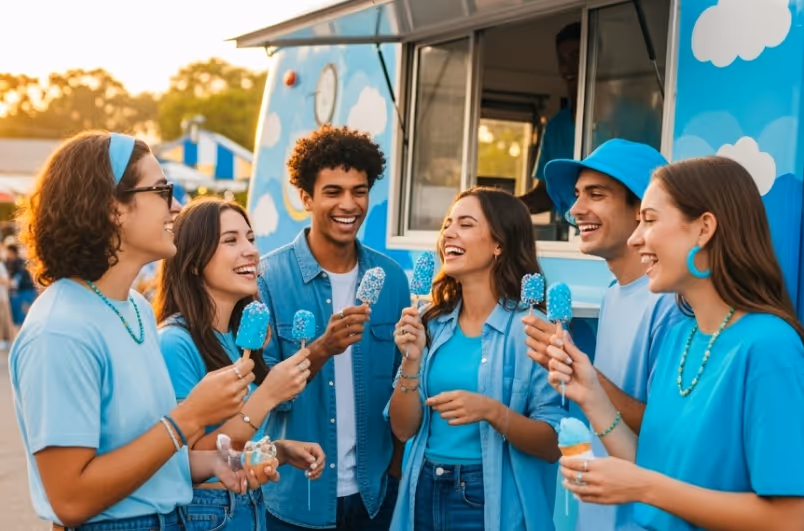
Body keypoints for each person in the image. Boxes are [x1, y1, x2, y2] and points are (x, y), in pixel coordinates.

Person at [8, 131, 267, 530]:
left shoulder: (138, 310)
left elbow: (145, 463)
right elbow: (70, 500)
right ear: (114, 208)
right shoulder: (60, 329)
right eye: (163, 190)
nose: (177, 206)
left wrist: (210, 462)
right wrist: (190, 417)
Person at [545, 156, 804, 530]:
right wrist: (590, 395)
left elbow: (791, 518)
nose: (636, 238)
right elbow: (652, 468)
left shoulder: (769, 348)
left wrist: (646, 487)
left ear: (703, 229)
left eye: (649, 220)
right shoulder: (680, 336)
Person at [523, 139, 682, 530]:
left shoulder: (672, 304)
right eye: (576, 195)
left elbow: (669, 430)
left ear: (642, 211)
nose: (575, 210)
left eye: (596, 195)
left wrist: (585, 374)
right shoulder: (613, 295)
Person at [258, 125, 410, 530]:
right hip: (295, 499)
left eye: (359, 191)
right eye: (333, 192)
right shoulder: (266, 279)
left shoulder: (392, 278)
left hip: (375, 498)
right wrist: (322, 348)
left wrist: (394, 473)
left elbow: (405, 386)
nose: (349, 204)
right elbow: (261, 399)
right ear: (306, 196)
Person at [389, 187, 564, 530]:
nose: (448, 233)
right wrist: (411, 362)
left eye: (465, 224)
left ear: (499, 244)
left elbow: (553, 443)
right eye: (447, 224)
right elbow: (402, 428)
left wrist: (491, 411)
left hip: (487, 497)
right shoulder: (430, 323)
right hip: (423, 487)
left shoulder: (533, 331)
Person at [156, 197, 327, 530]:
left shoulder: (237, 341)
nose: (250, 250)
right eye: (231, 241)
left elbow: (233, 450)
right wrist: (267, 397)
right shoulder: (175, 343)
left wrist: (278, 449)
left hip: (248, 510)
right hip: (205, 514)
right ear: (192, 261)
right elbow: (184, 458)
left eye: (250, 238)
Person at [518, 21, 581, 217]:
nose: (567, 67)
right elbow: (547, 193)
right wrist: (504, 207)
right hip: (572, 237)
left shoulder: (633, 116)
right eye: (562, 60)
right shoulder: (555, 127)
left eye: (576, 56)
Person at [7, 243, 37, 326]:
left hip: (26, 291)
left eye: (9, 253)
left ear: (14, 253)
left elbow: (15, 280)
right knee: (19, 318)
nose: (8, 255)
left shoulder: (20, 263)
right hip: (19, 293)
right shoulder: (11, 263)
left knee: (24, 317)